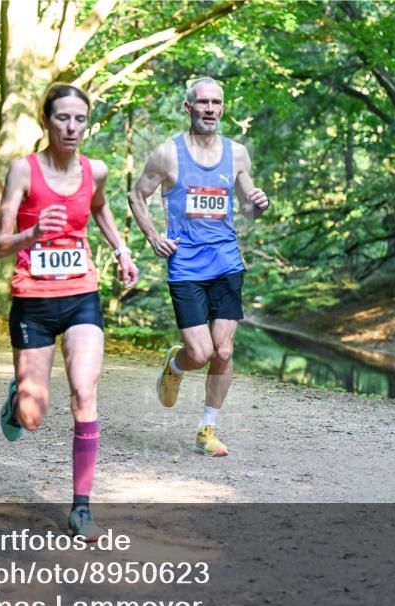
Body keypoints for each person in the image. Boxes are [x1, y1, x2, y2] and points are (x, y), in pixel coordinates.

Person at [0, 83, 139, 540]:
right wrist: (32, 234)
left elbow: (100, 208)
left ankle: (81, 508)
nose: (72, 127)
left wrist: (121, 250)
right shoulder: (23, 170)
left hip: (81, 295)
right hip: (33, 303)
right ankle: (17, 401)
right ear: (46, 120)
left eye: (80, 119)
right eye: (63, 118)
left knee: (84, 389)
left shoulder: (96, 170)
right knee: (32, 417)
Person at [128, 76, 269, 458]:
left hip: (226, 261)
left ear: (222, 108)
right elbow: (137, 195)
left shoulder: (237, 153)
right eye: (203, 102)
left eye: (216, 102)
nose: (210, 109)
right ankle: (176, 365)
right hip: (186, 266)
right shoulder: (168, 154)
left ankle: (207, 429)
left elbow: (247, 208)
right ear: (189, 107)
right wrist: (153, 236)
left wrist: (258, 203)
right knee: (201, 352)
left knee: (223, 351)